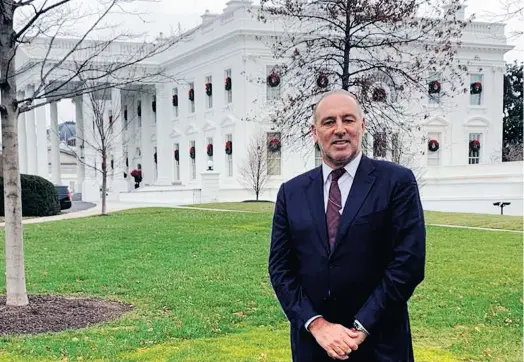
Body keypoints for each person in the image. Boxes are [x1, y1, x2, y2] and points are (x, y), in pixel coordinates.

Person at [268, 90, 426, 361]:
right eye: (329, 122)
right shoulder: (290, 193)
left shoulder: (396, 182)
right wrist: (317, 325)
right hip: (314, 346)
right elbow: (281, 269)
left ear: (362, 126)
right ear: (314, 132)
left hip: (380, 345)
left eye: (348, 120)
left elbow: (408, 263)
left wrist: (360, 328)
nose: (339, 129)